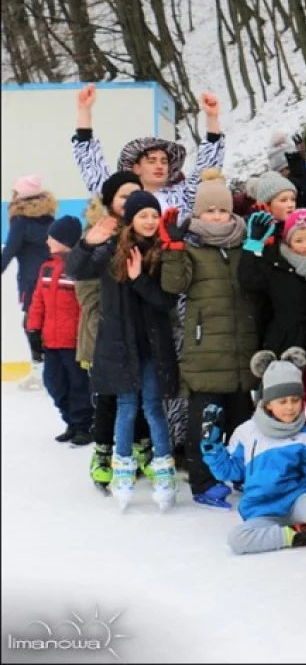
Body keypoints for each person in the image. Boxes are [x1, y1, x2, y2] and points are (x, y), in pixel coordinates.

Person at [65, 191, 179, 512]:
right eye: (142, 215)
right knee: (127, 407)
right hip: (120, 346)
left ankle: (164, 471)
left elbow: (166, 301)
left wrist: (139, 278)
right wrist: (89, 241)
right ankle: (123, 469)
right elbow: (75, 269)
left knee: (154, 408)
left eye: (154, 216)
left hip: (153, 347)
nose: (149, 221)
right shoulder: (112, 250)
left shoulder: (162, 251)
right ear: (130, 219)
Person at [159, 171, 259, 510]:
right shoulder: (190, 245)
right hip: (204, 351)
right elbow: (173, 285)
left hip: (241, 346)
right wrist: (172, 249)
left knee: (243, 419)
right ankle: (203, 480)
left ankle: (244, 473)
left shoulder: (243, 242)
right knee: (206, 422)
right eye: (209, 211)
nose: (217, 217)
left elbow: (256, 285)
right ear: (198, 214)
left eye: (222, 210)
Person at [202, 348, 306, 555]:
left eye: (295, 400)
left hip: (298, 502)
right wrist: (213, 448)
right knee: (237, 539)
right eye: (282, 401)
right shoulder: (247, 433)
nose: (290, 407)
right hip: (262, 509)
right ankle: (295, 535)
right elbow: (229, 473)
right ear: (268, 403)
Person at [75, 174, 153, 491]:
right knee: (111, 397)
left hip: (139, 329)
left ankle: (139, 447)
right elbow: (85, 285)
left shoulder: (145, 232)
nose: (129, 200)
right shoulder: (99, 236)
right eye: (123, 196)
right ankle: (104, 453)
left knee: (143, 395)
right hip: (105, 330)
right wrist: (101, 328)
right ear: (110, 202)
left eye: (136, 194)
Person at [240, 208, 306, 444]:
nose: (305, 245)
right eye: (299, 239)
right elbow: (250, 281)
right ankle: (278, 448)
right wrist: (253, 245)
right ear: (288, 240)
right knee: (284, 404)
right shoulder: (276, 265)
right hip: (283, 347)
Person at [72, 84, 227, 215]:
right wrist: (84, 111)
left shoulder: (183, 195)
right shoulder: (120, 196)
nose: (159, 166)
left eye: (164, 161)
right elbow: (92, 167)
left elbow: (207, 169)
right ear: (136, 167)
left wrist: (212, 118)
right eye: (151, 161)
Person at [25, 215, 92, 445]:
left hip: (73, 343)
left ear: (64, 241)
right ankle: (71, 422)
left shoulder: (79, 269)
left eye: (51, 238)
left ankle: (83, 425)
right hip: (50, 341)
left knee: (78, 386)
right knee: (54, 384)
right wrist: (33, 330)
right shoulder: (46, 267)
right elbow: (37, 302)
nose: (47, 241)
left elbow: (85, 306)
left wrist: (86, 338)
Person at [4, 174, 56, 390]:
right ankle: (50, 371)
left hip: (31, 282)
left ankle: (40, 371)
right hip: (52, 280)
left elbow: (10, 250)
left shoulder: (21, 222)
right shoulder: (50, 219)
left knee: (31, 325)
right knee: (47, 325)